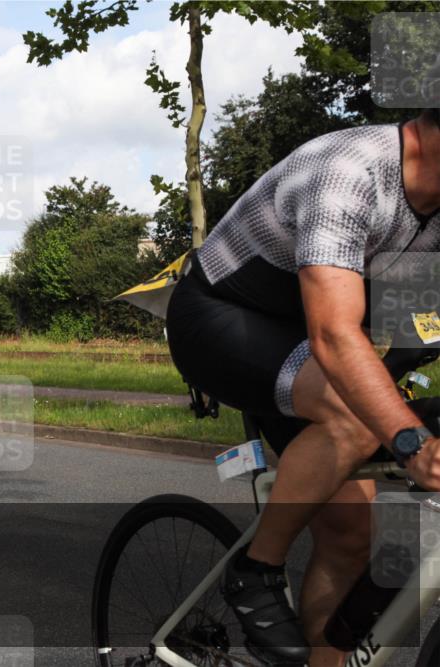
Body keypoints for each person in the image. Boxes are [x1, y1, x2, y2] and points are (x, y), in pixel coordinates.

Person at [166, 108, 440, 667]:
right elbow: (335, 337)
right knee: (358, 413)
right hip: (221, 318)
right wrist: (412, 445)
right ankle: (256, 569)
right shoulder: (350, 173)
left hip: (310, 335)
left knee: (350, 533)